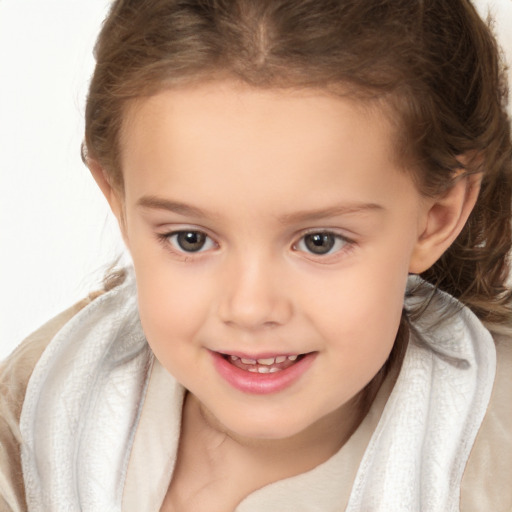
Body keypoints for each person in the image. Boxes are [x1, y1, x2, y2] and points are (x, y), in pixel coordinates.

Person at [1, 0, 511, 510]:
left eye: (320, 242)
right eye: (190, 239)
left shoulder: (494, 463)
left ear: (437, 215)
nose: (250, 308)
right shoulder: (40, 406)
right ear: (118, 200)